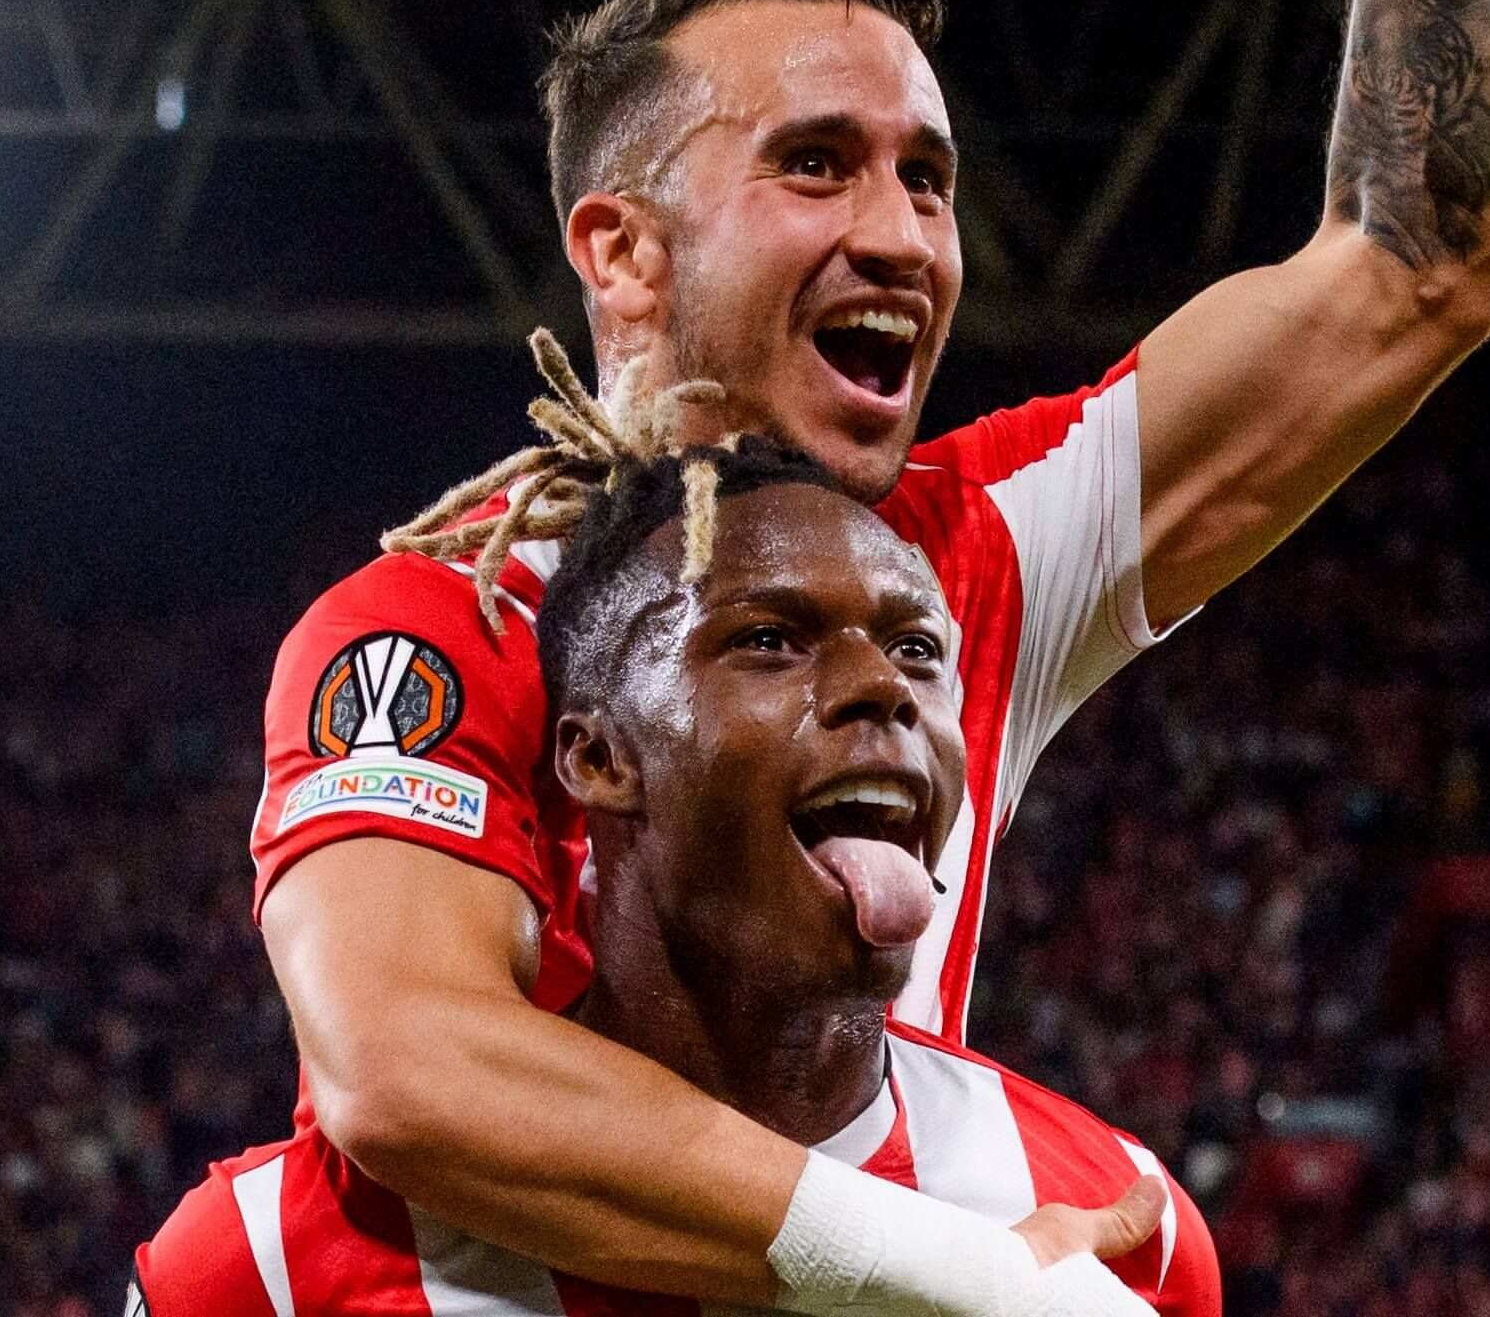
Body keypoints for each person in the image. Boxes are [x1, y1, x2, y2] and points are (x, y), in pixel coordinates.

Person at [254, 0, 1490, 1317]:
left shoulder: (975, 544)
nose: (900, 232)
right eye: (815, 163)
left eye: (928, 179)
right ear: (617, 254)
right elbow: (410, 1072)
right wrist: (956, 1276)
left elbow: (1425, 264)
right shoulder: (446, 619)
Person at [148, 434, 1221, 1317]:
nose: (877, 689)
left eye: (916, 650)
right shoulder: (269, 1268)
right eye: (769, 639)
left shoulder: (1120, 1229)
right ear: (598, 760)